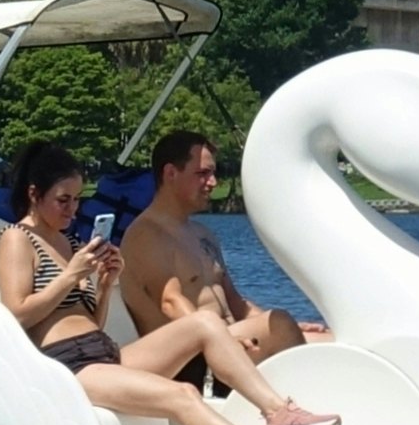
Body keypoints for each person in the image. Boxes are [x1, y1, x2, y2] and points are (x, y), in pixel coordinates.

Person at [0, 142, 337, 425]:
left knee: (205, 323)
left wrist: (105, 285)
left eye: (77, 199)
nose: (72, 210)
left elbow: (89, 322)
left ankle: (281, 414)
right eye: (63, 200)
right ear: (34, 194)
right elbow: (15, 315)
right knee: (183, 394)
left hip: (101, 351)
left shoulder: (68, 242)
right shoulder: (16, 238)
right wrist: (71, 275)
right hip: (67, 365)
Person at [114, 125, 314, 387]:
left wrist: (289, 327)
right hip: (189, 361)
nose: (213, 183)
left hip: (227, 342)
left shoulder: (202, 234)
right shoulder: (146, 235)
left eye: (212, 173)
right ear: (171, 173)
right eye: (202, 174)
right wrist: (225, 340)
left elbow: (236, 304)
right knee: (280, 324)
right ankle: (302, 401)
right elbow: (170, 302)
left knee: (323, 338)